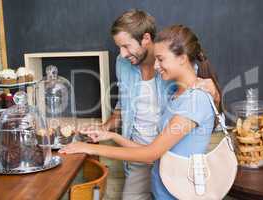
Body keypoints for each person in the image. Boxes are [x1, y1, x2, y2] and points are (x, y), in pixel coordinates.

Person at [60, 24, 222, 199]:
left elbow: (151, 154)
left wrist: (89, 148)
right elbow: (154, 153)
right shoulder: (177, 94)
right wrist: (112, 136)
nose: (157, 66)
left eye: (161, 59)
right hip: (164, 189)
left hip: (178, 193)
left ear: (182, 58)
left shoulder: (195, 99)